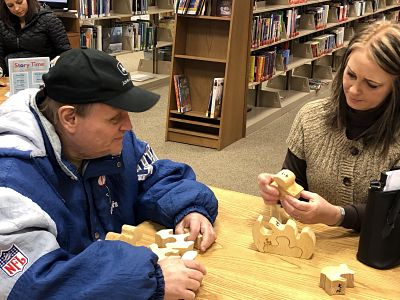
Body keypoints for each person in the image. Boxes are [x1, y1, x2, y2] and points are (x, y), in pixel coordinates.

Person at [0, 48, 218, 299]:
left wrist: (188, 206)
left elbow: (155, 176)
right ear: (69, 117)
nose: (128, 126)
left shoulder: (113, 142)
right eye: (116, 117)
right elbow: (35, 286)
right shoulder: (10, 185)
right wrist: (148, 280)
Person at [258, 21, 400, 232]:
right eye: (350, 74)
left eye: (371, 84)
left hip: (378, 254)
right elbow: (294, 181)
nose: (353, 90)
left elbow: (394, 215)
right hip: (317, 249)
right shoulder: (311, 117)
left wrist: (338, 215)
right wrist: (278, 190)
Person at [0, 0, 71, 76]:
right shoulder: (2, 23)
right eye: (10, 6)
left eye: (19, 2)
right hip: (12, 78)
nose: (16, 8)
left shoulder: (49, 19)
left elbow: (66, 52)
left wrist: (58, 61)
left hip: (45, 77)